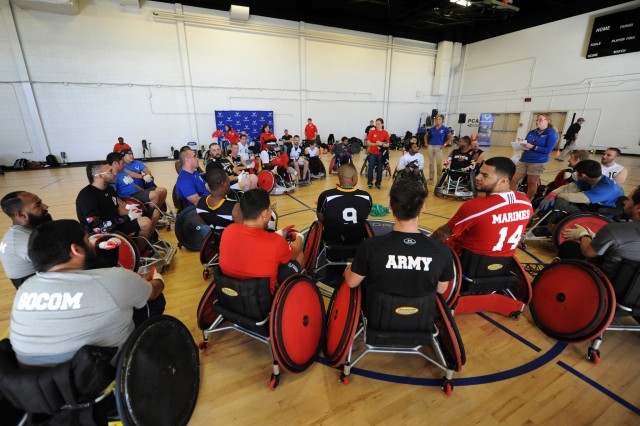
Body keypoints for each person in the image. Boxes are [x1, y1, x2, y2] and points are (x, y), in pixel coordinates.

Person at [9, 219, 164, 366]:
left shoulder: (24, 288)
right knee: (153, 300)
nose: (91, 243)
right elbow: (153, 292)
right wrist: (158, 280)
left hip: (37, 384)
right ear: (76, 250)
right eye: (87, 240)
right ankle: (150, 351)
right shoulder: (112, 279)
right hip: (100, 378)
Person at [344, 179, 452, 302]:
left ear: (390, 205)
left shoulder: (370, 246)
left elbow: (352, 283)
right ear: (422, 208)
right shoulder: (441, 250)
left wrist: (348, 269)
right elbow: (441, 289)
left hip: (378, 317)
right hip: (421, 319)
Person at [431, 157, 533, 258]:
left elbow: (443, 234)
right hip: (505, 261)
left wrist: (425, 245)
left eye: (485, 175)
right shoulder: (526, 203)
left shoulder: (476, 206)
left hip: (468, 261)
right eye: (479, 172)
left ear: (503, 181)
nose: (477, 177)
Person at [218, 189, 304, 294]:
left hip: (231, 292)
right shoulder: (276, 243)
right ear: (264, 214)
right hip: (262, 300)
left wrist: (280, 234)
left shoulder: (228, 230)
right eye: (270, 208)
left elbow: (251, 243)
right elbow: (295, 252)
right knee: (300, 255)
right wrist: (299, 236)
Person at [561, 185, 640, 280]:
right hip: (633, 291)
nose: (624, 201)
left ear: (638, 208)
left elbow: (588, 252)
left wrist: (583, 235)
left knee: (569, 247)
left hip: (605, 283)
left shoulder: (613, 230)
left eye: (628, 199)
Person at [76, 162, 158, 240]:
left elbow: (118, 209)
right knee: (145, 222)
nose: (115, 173)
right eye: (110, 171)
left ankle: (142, 243)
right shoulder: (86, 197)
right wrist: (129, 217)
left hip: (117, 222)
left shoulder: (109, 189)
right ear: (100, 176)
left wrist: (131, 211)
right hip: (104, 232)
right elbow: (98, 227)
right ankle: (137, 251)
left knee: (155, 213)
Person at [539, 159, 624, 231]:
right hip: (592, 207)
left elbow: (575, 197)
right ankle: (548, 225)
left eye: (576, 172)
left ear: (583, 175)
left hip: (601, 214)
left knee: (560, 202)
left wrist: (556, 196)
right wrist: (551, 194)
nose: (575, 174)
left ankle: (549, 226)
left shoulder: (607, 188)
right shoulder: (591, 178)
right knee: (551, 201)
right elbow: (567, 187)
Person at [0, 192, 52, 289]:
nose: (45, 206)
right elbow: (65, 262)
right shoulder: (23, 241)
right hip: (39, 292)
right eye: (38, 205)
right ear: (21, 215)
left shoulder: (28, 231)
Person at [317, 164, 372, 245]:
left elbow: (321, 218)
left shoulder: (325, 196)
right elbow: (365, 216)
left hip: (333, 247)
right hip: (358, 246)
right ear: (354, 178)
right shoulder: (366, 196)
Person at [510, 113, 559, 200]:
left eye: (540, 119)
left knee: (531, 183)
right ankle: (512, 199)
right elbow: (527, 144)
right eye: (536, 120)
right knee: (513, 180)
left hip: (538, 162)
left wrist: (532, 146)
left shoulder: (552, 134)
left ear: (548, 121)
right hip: (524, 159)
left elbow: (547, 150)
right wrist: (522, 144)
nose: (537, 122)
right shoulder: (532, 132)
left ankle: (528, 201)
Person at [426, 114, 453, 182]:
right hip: (431, 146)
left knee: (439, 163)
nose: (438, 121)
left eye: (439, 119)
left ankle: (439, 177)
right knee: (431, 163)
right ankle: (431, 177)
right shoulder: (432, 128)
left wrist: (444, 144)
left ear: (442, 120)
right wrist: (426, 144)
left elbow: (451, 137)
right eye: (437, 119)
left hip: (439, 147)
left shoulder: (445, 129)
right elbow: (425, 136)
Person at [366, 118, 390, 189]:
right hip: (372, 153)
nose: (377, 125)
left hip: (381, 154)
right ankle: (370, 183)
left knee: (380, 168)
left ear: (382, 124)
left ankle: (378, 183)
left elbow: (388, 144)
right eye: (376, 124)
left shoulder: (385, 133)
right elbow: (368, 143)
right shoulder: (372, 132)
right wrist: (376, 144)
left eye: (378, 124)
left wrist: (381, 144)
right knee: (370, 168)